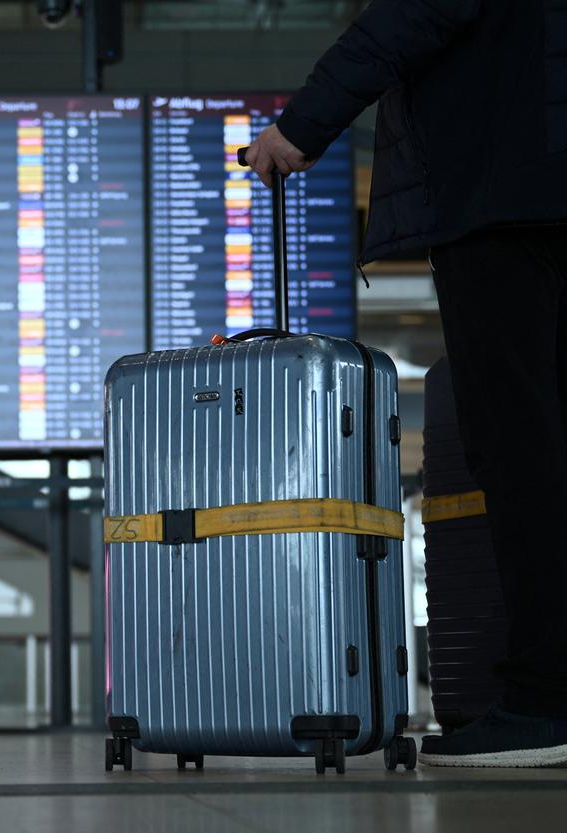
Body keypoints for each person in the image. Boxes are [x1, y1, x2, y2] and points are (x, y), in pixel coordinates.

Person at [242, 1, 567, 768]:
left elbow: (417, 10)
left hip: (504, 198)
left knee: (520, 451)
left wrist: (300, 127)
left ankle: (546, 698)